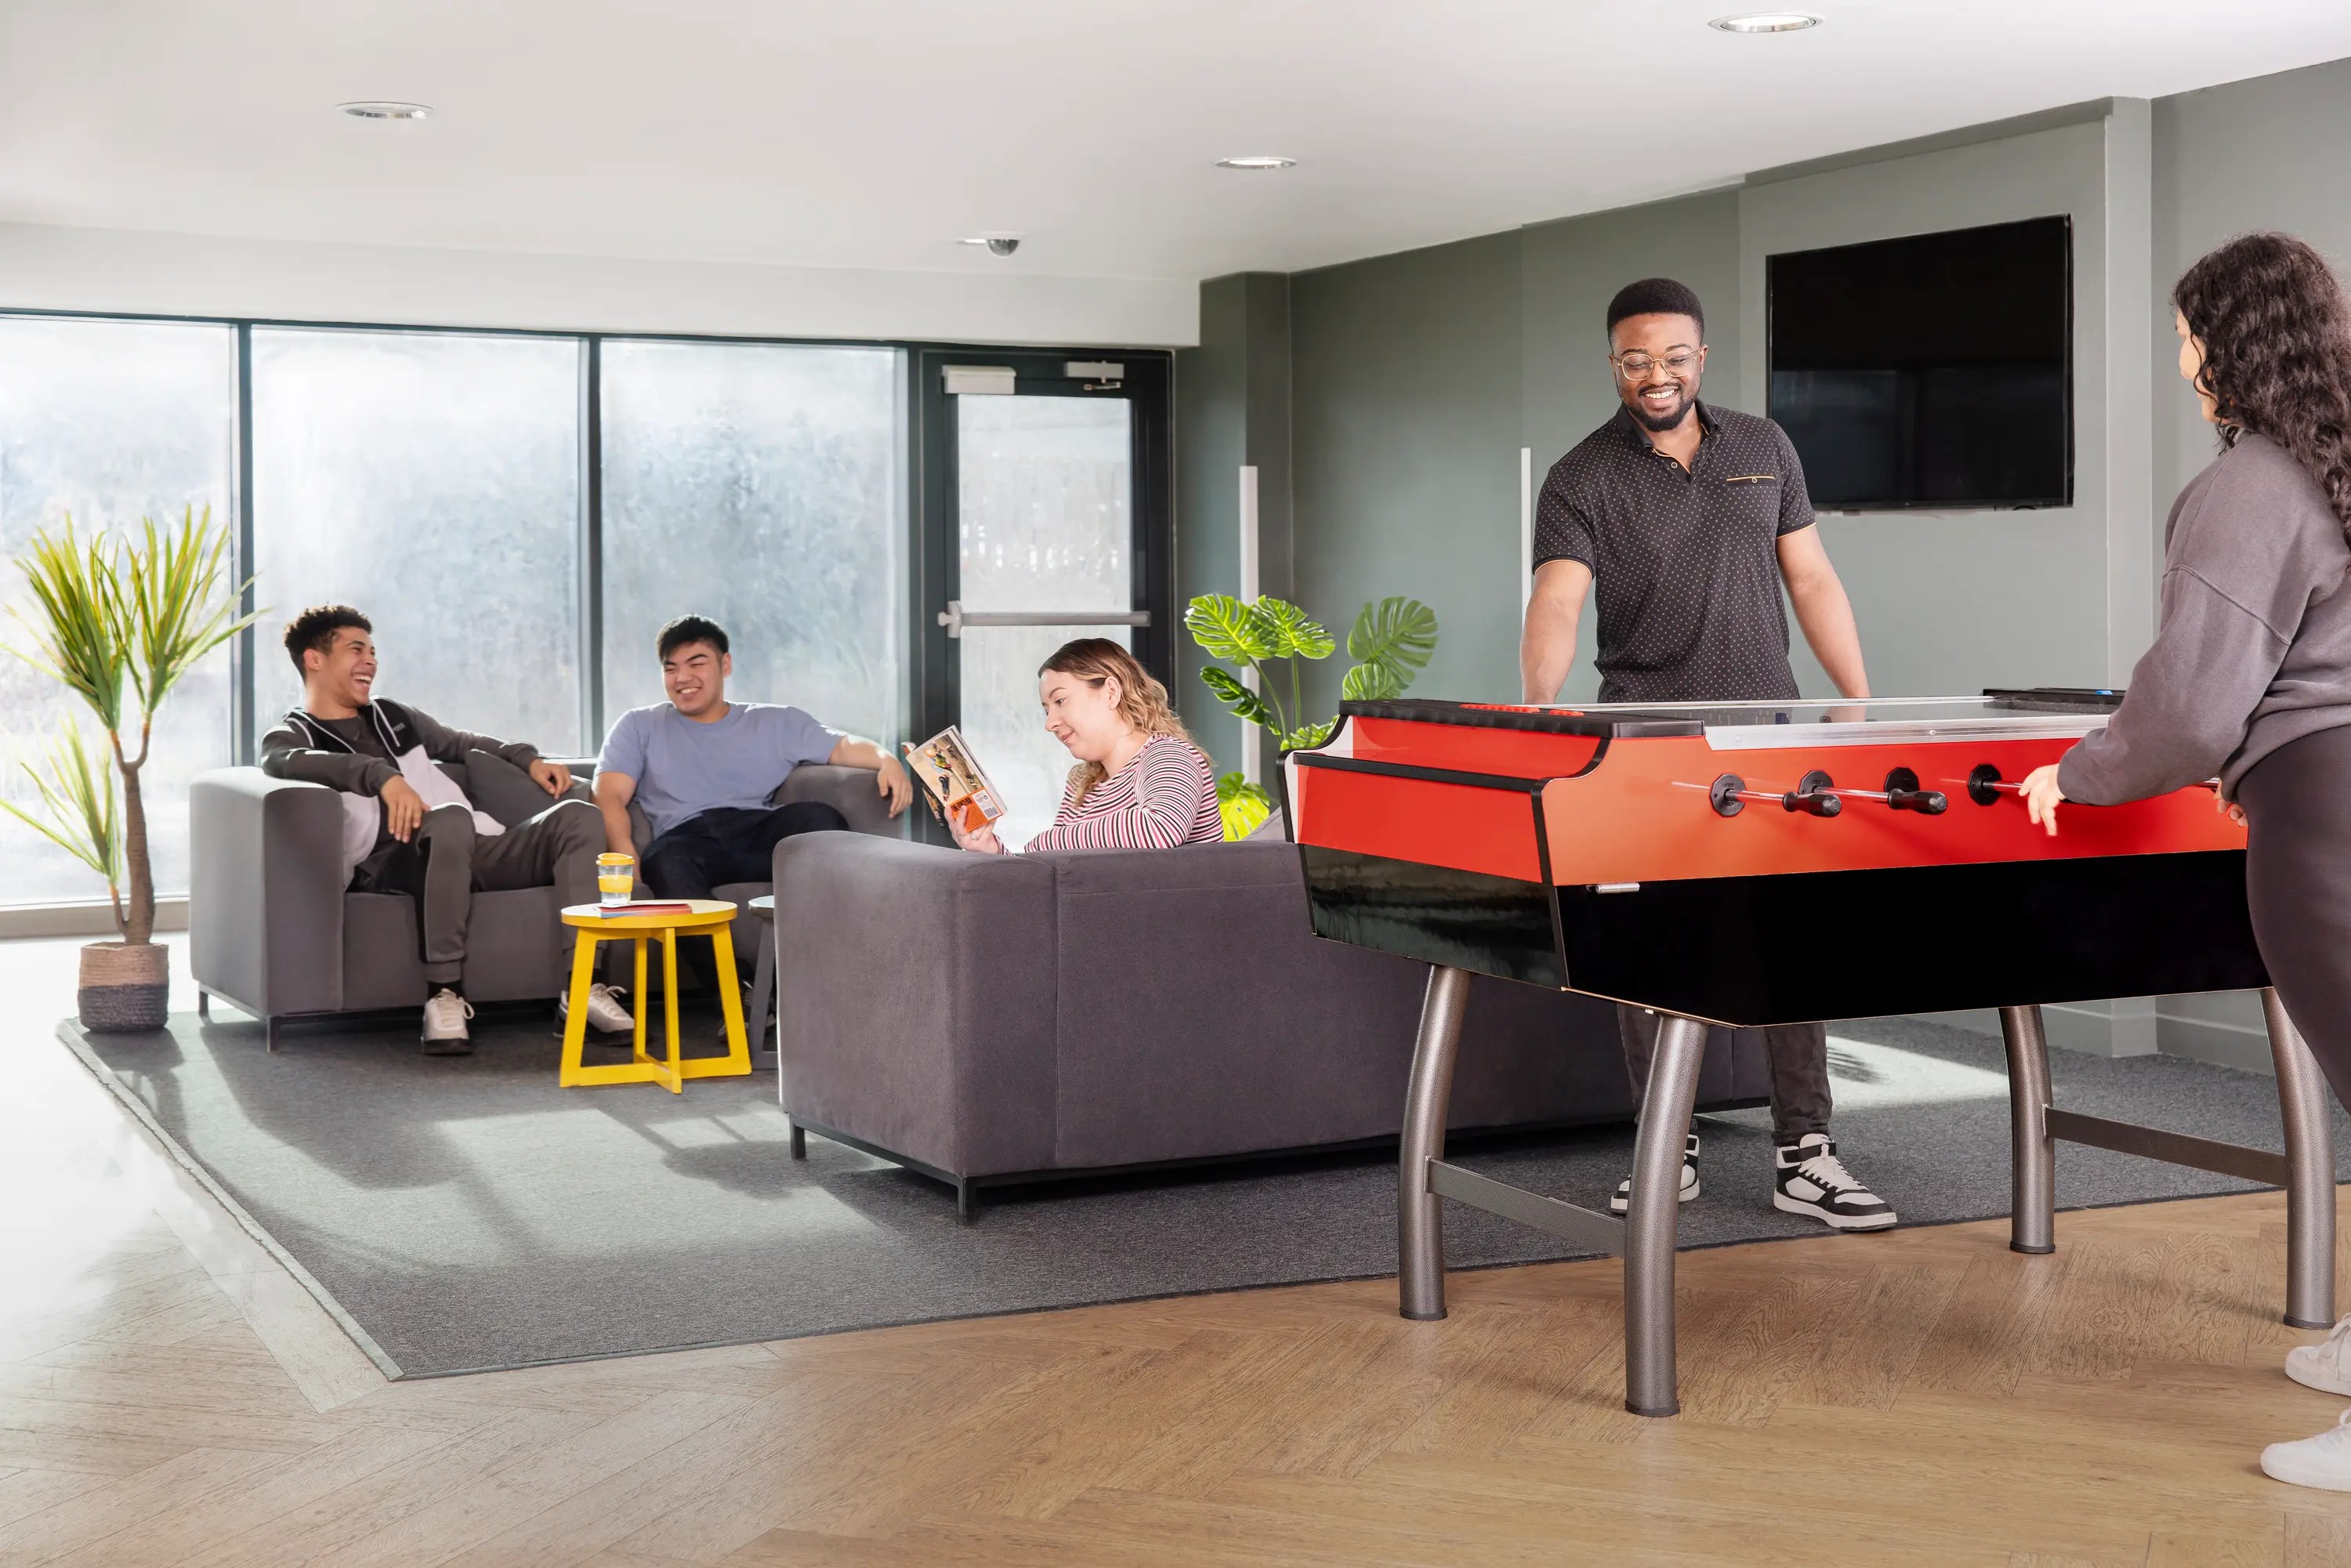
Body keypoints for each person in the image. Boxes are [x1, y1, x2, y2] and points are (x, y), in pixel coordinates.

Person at [2013, 232, 2351, 1491]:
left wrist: (2080, 770)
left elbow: (2195, 708)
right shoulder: (2342, 462)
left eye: (2185, 334)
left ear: (2228, 343)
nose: (2182, 359)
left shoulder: (2254, 483)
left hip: (2327, 814)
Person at [1519, 276, 1894, 1232]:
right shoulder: (1580, 476)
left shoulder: (1765, 447)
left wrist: (1856, 699)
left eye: (1674, 357)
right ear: (1614, 362)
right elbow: (1559, 599)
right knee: (1652, 949)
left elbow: (1810, 578)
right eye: (1637, 359)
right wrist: (1540, 707)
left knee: (1789, 943)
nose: (1657, 376)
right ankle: (1666, 1150)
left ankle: (1805, 1153)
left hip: (1771, 743)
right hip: (1648, 743)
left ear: (1702, 357)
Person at [260, 605, 625, 1053]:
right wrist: (381, 776)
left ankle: (583, 988)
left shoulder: (393, 716)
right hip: (395, 863)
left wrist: (528, 757)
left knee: (579, 816)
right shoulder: (293, 734)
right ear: (313, 659)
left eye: (373, 651)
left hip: (470, 845)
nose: (371, 661)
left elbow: (463, 742)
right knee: (448, 816)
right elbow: (281, 763)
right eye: (356, 650)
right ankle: (443, 995)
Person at [594, 616, 910, 987]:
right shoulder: (638, 725)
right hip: (687, 839)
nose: (683, 678)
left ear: (725, 665)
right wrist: (623, 847)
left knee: (820, 820)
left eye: (696, 663)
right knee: (665, 861)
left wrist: (886, 759)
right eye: (671, 668)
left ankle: (803, 982)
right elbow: (609, 792)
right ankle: (736, 992)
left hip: (758, 829)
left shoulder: (773, 721)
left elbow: (841, 746)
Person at [946, 639, 1220, 854]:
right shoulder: (1082, 781)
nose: (1050, 723)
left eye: (1061, 701)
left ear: (1111, 692)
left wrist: (1047, 841)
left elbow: (1161, 828)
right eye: (1046, 709)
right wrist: (991, 850)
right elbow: (1054, 873)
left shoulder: (1169, 755)